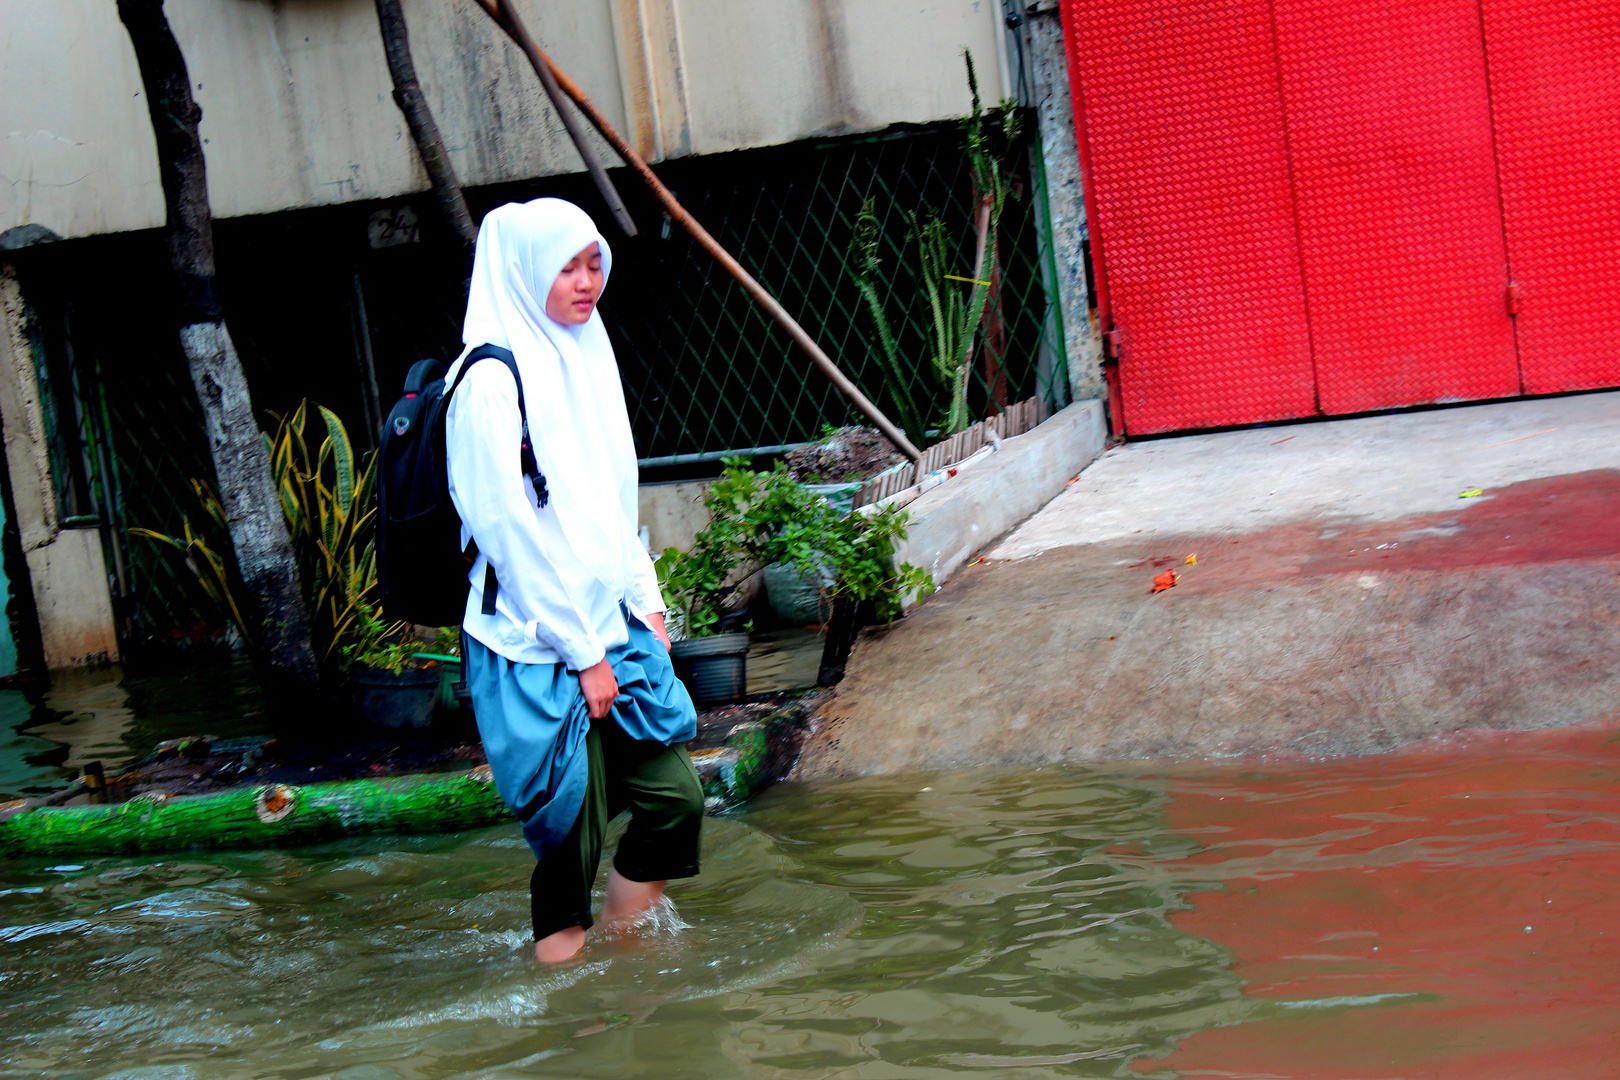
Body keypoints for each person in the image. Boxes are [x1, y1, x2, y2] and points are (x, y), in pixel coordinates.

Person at [446, 197, 703, 963]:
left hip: (609, 624)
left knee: (674, 803)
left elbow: (609, 497)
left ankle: (629, 967)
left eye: (595, 262)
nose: (587, 281)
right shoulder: (487, 380)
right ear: (526, 270)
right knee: (570, 838)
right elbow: (507, 533)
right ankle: (570, 1022)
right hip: (531, 641)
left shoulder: (583, 352)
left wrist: (646, 604)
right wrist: (580, 649)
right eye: (568, 265)